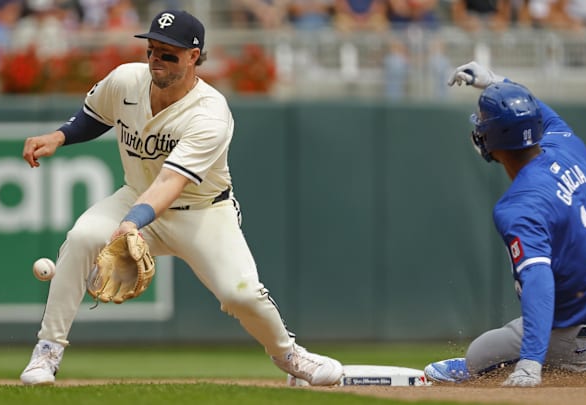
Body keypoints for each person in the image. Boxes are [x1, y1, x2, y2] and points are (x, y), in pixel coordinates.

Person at [19, 9, 343, 386]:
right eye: (152, 50)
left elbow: (171, 183)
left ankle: (290, 356)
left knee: (242, 295)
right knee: (81, 239)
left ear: (194, 56)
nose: (156, 59)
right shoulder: (126, 80)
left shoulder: (210, 113)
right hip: (136, 195)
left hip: (202, 212)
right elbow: (93, 116)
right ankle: (47, 351)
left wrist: (130, 224)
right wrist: (58, 137)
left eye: (168, 53)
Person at [423, 61, 586, 387]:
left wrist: (530, 364)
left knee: (476, 356)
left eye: (483, 123)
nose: (478, 126)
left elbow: (539, 282)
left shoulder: (518, 206)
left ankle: (585, 361)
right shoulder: (567, 147)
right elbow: (537, 113)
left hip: (575, 339)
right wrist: (496, 82)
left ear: (492, 140)